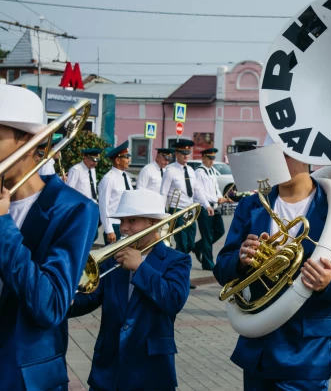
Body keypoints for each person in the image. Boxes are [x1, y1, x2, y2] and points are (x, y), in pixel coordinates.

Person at [214, 136, 331, 390]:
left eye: (284, 154)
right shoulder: (251, 205)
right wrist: (241, 262)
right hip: (259, 347)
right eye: (271, 155)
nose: (276, 162)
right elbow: (222, 268)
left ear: (308, 155)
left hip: (307, 351)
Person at [0, 84, 99, 391]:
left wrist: (3, 224)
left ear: (30, 141)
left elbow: (50, 305)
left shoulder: (75, 210)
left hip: (22, 377)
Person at [69, 189, 191, 391]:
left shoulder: (177, 260)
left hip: (152, 372)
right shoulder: (112, 258)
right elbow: (92, 298)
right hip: (108, 372)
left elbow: (173, 300)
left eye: (132, 221)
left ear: (153, 223)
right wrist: (66, 300)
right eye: (122, 221)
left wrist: (140, 268)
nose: (123, 228)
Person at [160, 140, 213, 256]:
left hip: (189, 210)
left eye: (188, 152)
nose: (186, 155)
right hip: (177, 210)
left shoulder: (190, 170)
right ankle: (180, 265)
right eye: (183, 153)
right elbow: (163, 193)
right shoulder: (170, 171)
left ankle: (174, 259)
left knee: (190, 242)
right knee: (182, 241)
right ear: (176, 153)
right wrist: (162, 214)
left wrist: (207, 205)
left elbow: (198, 190)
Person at [193, 147, 230, 270]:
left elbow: (216, 189)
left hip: (214, 206)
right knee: (207, 235)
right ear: (203, 158)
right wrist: (207, 205)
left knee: (220, 230)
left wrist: (221, 198)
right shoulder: (199, 172)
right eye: (209, 158)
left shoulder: (212, 171)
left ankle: (198, 247)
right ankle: (208, 263)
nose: (212, 161)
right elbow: (199, 192)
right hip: (205, 207)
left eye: (213, 158)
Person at [98, 140, 133, 245]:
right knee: (113, 259)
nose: (129, 160)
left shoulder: (125, 176)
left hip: (127, 224)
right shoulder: (109, 179)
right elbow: (103, 206)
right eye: (126, 157)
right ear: (118, 160)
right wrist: (109, 230)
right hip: (115, 225)